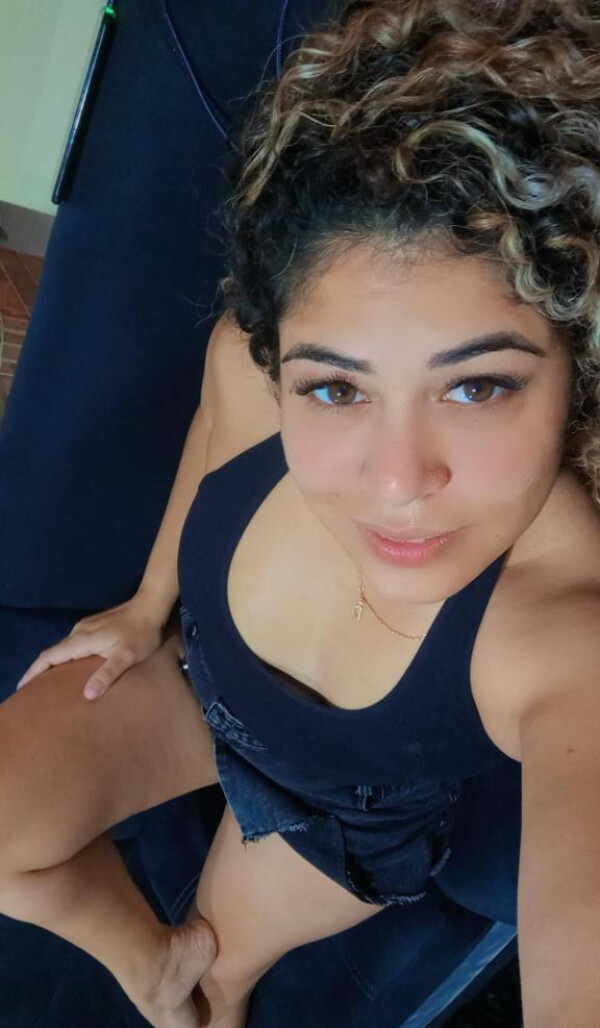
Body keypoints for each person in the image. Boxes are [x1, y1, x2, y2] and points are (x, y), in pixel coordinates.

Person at [5, 0, 600, 1026]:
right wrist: (146, 607)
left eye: (476, 387)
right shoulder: (249, 361)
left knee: (218, 989)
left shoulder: (560, 632)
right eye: (336, 387)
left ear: (575, 375)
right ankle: (154, 970)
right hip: (199, 687)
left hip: (333, 819)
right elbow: (210, 438)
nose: (398, 481)